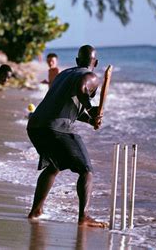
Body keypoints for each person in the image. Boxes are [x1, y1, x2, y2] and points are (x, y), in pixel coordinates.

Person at [26, 44, 107, 228]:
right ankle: (83, 217)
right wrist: (90, 106)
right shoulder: (91, 76)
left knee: (54, 166)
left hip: (35, 126)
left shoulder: (63, 75)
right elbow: (82, 86)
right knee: (86, 170)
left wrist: (90, 119)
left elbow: (70, 108)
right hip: (55, 128)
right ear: (96, 62)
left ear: (77, 61)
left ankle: (35, 211)